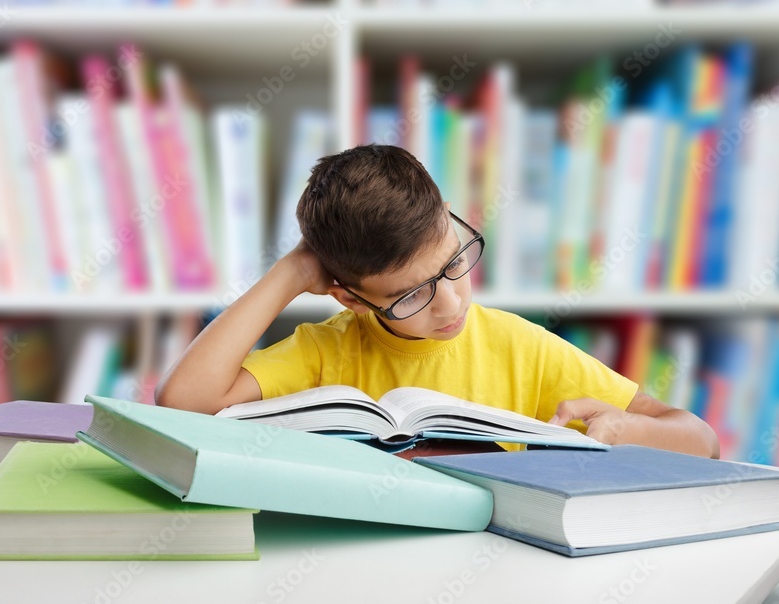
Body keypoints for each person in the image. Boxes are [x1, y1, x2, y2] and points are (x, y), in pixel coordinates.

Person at [156, 145, 719, 458]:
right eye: (409, 296)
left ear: (448, 217)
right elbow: (181, 403)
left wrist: (628, 430)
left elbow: (701, 441)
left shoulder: (519, 347)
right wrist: (292, 271)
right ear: (350, 298)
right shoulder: (323, 351)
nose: (449, 304)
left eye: (454, 263)